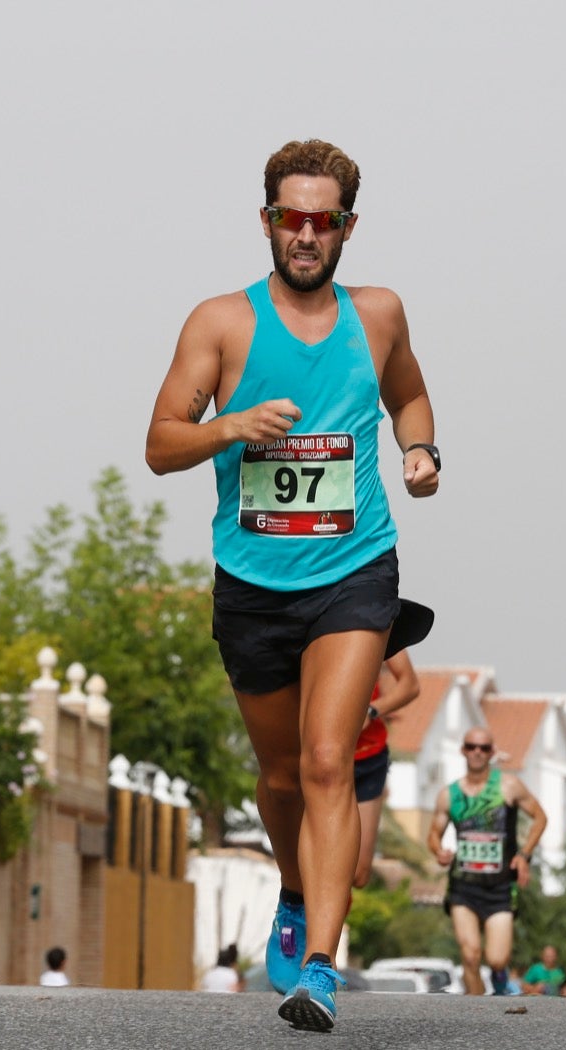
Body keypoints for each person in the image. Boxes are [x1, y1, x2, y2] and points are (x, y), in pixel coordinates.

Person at [145, 138, 439, 1033]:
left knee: (324, 760)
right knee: (277, 777)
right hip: (252, 580)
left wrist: (421, 450)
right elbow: (161, 444)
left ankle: (318, 965)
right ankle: (290, 885)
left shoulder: (379, 314)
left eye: (323, 221)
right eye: (290, 218)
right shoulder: (220, 323)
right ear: (266, 222)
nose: (305, 235)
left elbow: (411, 399)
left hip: (354, 571)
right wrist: (229, 426)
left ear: (347, 227)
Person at [426, 727, 545, 996]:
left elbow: (540, 817)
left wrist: (524, 854)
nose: (477, 752)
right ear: (463, 750)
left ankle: (500, 976)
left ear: (492, 753)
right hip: (463, 887)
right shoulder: (450, 794)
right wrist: (439, 851)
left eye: (483, 748)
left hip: (500, 887)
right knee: (470, 955)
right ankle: (478, 1012)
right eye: (471, 746)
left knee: (497, 959)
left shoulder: (508, 786)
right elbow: (433, 834)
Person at [353, 649, 421, 889]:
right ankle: (300, 923)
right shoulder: (306, 614)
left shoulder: (376, 616)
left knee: (359, 874)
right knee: (315, 864)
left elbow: (410, 685)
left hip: (368, 757)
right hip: (321, 757)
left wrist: (371, 711)